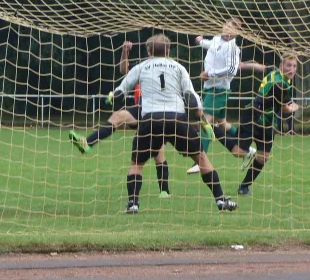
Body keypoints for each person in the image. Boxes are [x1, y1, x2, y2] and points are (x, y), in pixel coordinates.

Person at [112, 34, 237, 213]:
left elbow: (121, 89)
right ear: (169, 50)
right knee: (202, 158)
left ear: (148, 51)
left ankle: (133, 203)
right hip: (176, 119)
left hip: (150, 120)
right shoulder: (179, 67)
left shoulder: (141, 66)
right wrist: (202, 121)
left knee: (137, 163)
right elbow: (191, 97)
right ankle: (220, 200)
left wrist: (113, 97)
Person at [69, 40, 171, 198]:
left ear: (151, 51)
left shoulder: (170, 67)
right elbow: (124, 70)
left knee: (158, 153)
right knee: (118, 116)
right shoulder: (143, 66)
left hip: (159, 111)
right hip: (142, 108)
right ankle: (87, 143)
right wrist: (125, 51)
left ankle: (164, 190)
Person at [212, 52, 299, 196]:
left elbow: (259, 67)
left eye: (294, 66)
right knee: (238, 152)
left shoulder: (274, 72)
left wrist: (243, 65)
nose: (292, 69)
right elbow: (285, 109)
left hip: (267, 122)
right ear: (281, 66)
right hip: (254, 116)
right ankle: (214, 128)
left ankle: (244, 186)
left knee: (263, 157)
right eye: (288, 65)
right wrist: (294, 107)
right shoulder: (281, 85)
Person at [186, 18, 256, 174]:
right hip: (211, 88)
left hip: (219, 90)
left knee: (205, 121)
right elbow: (212, 45)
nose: (227, 30)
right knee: (222, 123)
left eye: (231, 29)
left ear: (236, 33)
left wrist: (209, 74)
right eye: (226, 26)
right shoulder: (218, 38)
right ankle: (248, 148)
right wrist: (201, 41)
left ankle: (201, 161)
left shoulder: (233, 48)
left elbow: (231, 70)